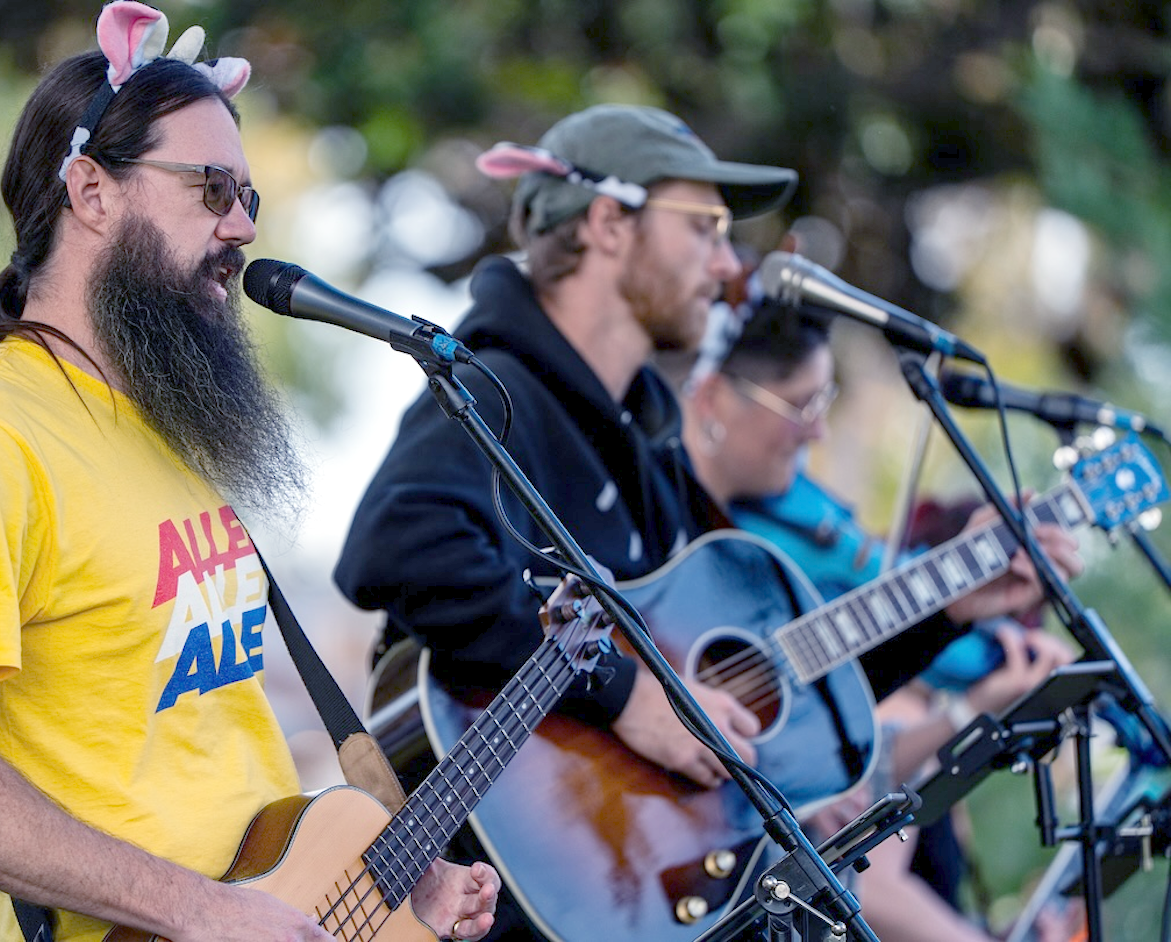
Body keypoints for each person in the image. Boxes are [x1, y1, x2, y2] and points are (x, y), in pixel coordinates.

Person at [334, 104, 1082, 940]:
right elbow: (394, 548)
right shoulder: (498, 393)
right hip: (505, 888)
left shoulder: (645, 446)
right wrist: (625, 695)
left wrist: (949, 606)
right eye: (705, 227)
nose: (727, 263)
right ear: (611, 223)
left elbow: (769, 688)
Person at [0, 4, 499, 942]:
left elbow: (215, 760)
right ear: (91, 191)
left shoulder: (172, 427)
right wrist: (197, 910)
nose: (240, 226)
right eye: (211, 189)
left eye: (251, 199)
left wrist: (376, 897)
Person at [676, 268, 1081, 941]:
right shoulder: (671, 534)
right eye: (799, 407)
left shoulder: (767, 560)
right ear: (716, 398)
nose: (817, 435)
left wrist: (953, 604)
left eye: (823, 405)